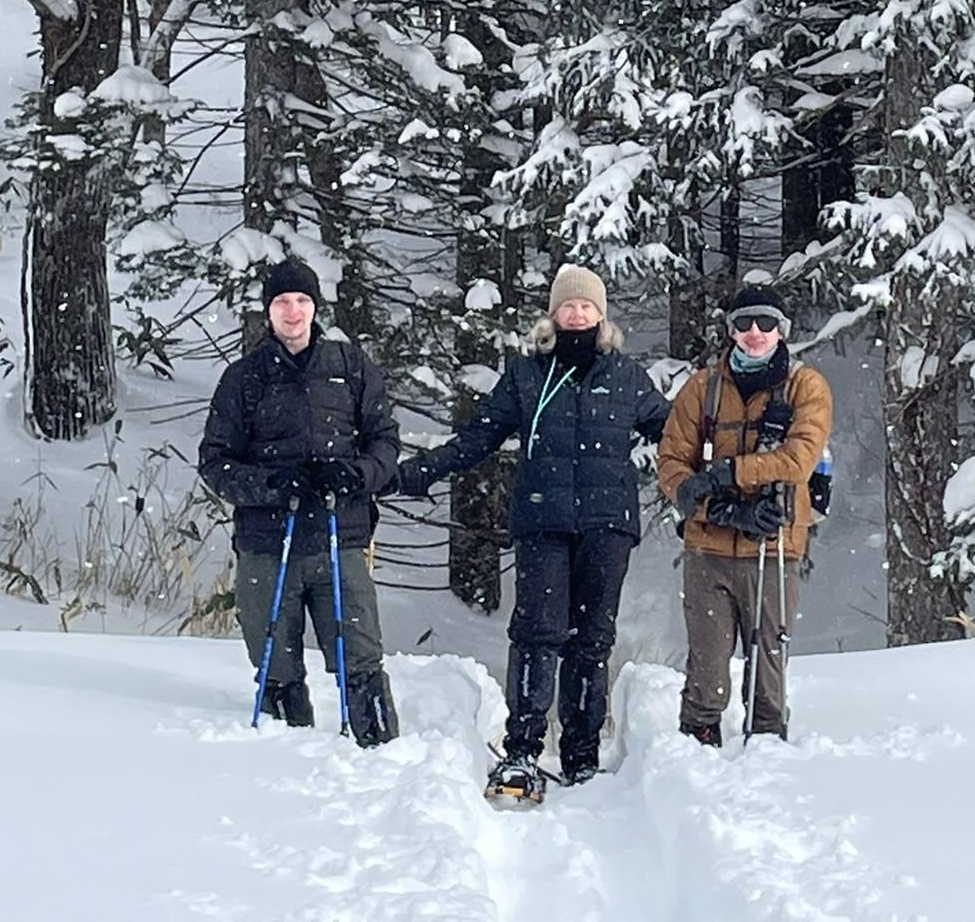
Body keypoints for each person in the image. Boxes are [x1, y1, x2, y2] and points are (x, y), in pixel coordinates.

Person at [395, 264, 671, 799]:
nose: (577, 313)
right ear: (553, 313)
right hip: (542, 521)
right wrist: (421, 470)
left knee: (592, 640)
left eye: (586, 306)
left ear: (601, 314)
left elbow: (678, 433)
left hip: (606, 524)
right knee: (537, 632)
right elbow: (478, 437)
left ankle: (582, 755)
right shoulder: (527, 374)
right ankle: (522, 749)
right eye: (568, 305)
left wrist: (729, 461)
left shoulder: (626, 376)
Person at [198, 257, 401, 747]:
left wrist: (356, 475)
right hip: (269, 542)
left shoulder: (350, 367)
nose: (293, 312)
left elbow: (386, 444)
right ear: (268, 311)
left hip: (340, 535)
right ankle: (283, 758)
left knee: (360, 653)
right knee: (276, 659)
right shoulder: (244, 378)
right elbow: (215, 463)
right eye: (283, 302)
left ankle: (381, 755)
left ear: (316, 307)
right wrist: (271, 485)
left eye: (303, 301)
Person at [657, 283, 833, 745]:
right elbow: (673, 465)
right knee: (707, 662)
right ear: (731, 330)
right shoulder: (702, 389)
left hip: (777, 544)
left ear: (782, 330)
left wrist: (726, 473)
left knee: (769, 660)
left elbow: (799, 458)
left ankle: (768, 747)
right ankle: (697, 744)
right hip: (708, 546)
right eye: (744, 323)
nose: (755, 333)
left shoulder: (805, 386)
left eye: (766, 323)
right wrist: (723, 509)